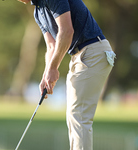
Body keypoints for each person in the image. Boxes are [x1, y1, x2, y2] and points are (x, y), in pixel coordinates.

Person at [18, 0, 116, 149]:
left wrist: (53, 68)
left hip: (93, 51)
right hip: (79, 56)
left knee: (78, 116)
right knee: (74, 116)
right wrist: (46, 74)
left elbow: (66, 31)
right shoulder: (38, 12)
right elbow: (51, 45)